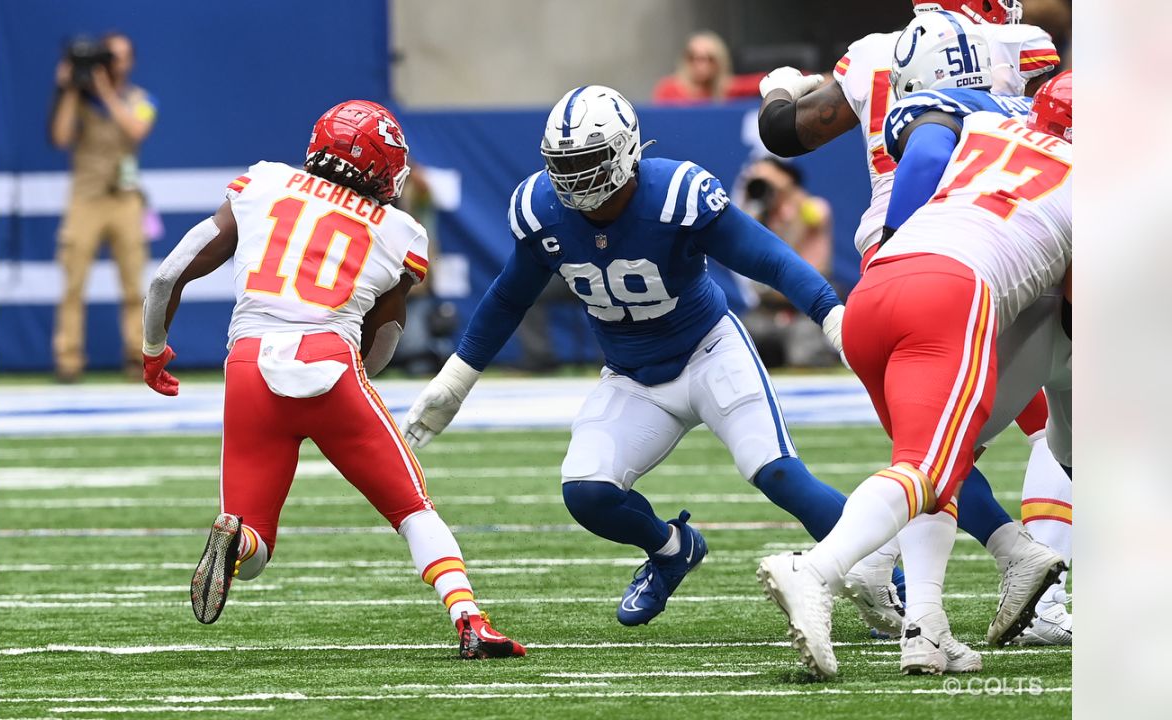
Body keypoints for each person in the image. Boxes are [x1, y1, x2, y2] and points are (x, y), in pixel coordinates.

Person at [403, 85, 905, 634]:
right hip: (632, 376)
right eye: (562, 164)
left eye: (588, 162)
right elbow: (508, 296)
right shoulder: (541, 209)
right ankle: (671, 549)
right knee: (586, 493)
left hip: (710, 351)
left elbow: (771, 258)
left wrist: (831, 314)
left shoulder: (675, 194)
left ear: (624, 152)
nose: (574, 178)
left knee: (781, 476)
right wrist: (456, 379)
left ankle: (887, 584)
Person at [139, 100, 525, 660]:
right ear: (379, 167)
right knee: (413, 510)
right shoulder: (400, 231)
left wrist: (154, 352)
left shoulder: (265, 183)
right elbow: (386, 339)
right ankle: (468, 617)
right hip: (332, 363)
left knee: (257, 550)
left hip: (248, 365)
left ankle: (236, 540)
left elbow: (168, 274)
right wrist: (350, 392)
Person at [757, 19, 1071, 678]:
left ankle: (927, 629)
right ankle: (818, 569)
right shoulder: (1086, 170)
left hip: (881, 280)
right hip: (952, 288)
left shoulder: (983, 116)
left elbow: (918, 139)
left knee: (942, 459)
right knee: (927, 469)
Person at [48, 32, 158, 382]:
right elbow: (61, 138)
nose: (114, 63)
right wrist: (67, 90)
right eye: (110, 56)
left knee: (133, 285)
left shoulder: (141, 99)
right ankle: (69, 359)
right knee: (73, 283)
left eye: (121, 57)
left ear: (131, 62)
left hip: (125, 199)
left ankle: (134, 355)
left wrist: (107, 91)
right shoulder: (80, 100)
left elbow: (136, 130)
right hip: (85, 198)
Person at [731, 157, 837, 367]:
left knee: (805, 357)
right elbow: (735, 235)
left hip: (806, 306)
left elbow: (791, 245)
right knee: (740, 353)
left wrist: (785, 190)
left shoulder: (811, 207)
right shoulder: (760, 215)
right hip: (767, 308)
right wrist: (751, 197)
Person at [652, 30, 764, 104]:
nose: (700, 65)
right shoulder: (669, 89)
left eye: (709, 59)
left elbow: (762, 82)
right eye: (693, 57)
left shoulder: (726, 88)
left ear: (719, 61)